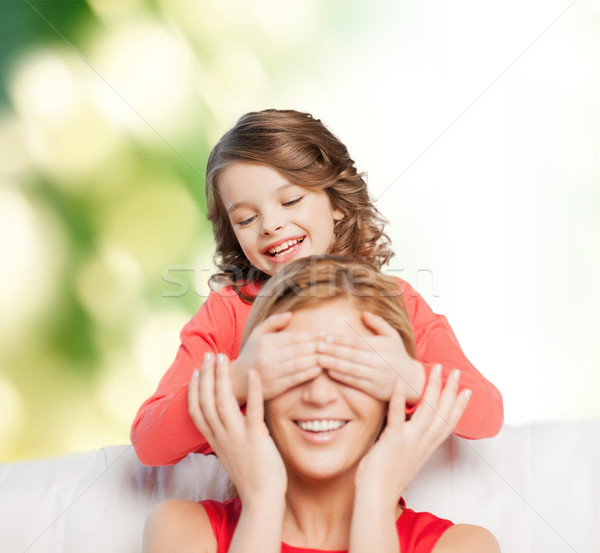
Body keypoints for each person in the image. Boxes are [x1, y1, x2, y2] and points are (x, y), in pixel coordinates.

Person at [131, 109, 503, 466]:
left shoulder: (393, 301)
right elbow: (149, 443)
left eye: (291, 200)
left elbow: (487, 414)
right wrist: (239, 380)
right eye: (246, 218)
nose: (270, 225)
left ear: (336, 204)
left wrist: (406, 377)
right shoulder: (227, 313)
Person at [141, 256, 500, 553]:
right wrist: (261, 501)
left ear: (394, 396)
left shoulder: (464, 546)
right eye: (295, 369)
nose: (319, 395)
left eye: (348, 369)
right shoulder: (182, 531)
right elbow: (150, 437)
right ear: (256, 395)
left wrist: (375, 500)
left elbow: (484, 409)